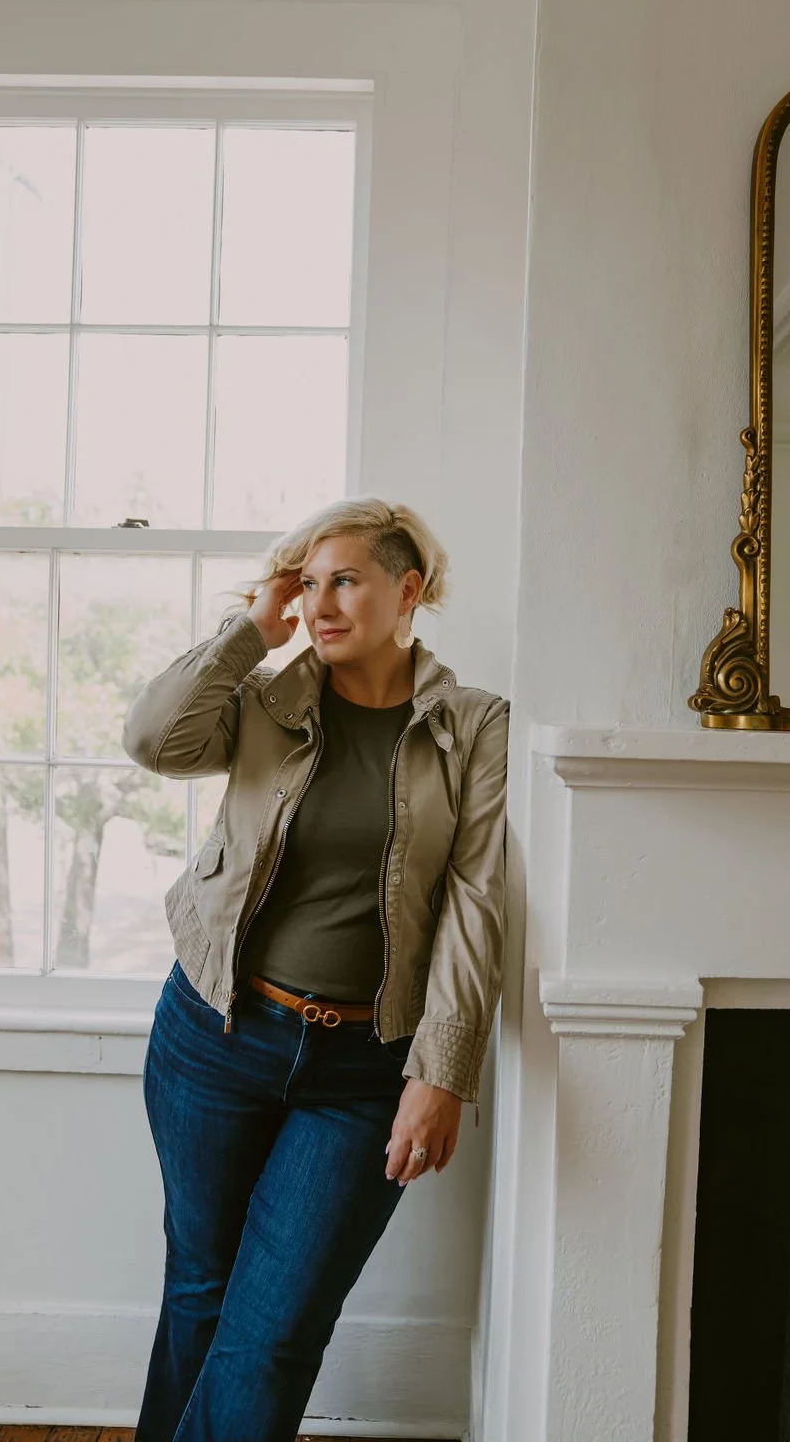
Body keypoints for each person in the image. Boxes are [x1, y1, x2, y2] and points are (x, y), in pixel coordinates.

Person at [122, 497, 509, 1442]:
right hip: (214, 1036)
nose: (320, 602)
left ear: (407, 588)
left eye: (345, 579)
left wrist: (442, 1071)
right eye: (307, 582)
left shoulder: (473, 725)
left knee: (278, 1328)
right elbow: (154, 741)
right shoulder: (267, 699)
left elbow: (476, 900)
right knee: (201, 1292)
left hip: (365, 1067)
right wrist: (252, 629)